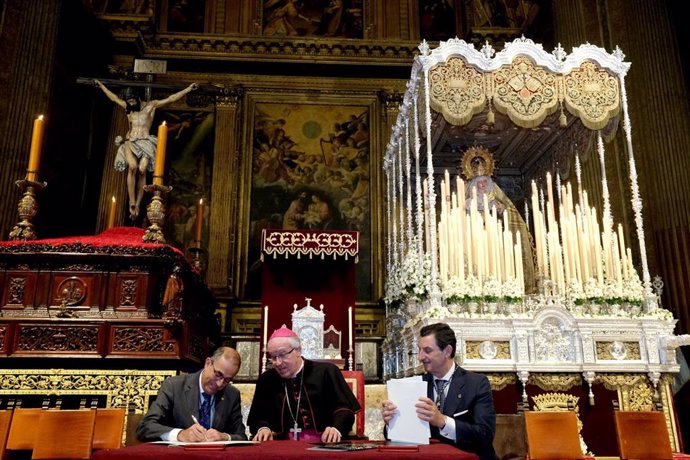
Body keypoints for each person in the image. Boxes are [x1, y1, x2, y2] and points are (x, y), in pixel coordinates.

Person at [382, 323, 498, 460]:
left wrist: (443, 421)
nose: (420, 357)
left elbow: (485, 435)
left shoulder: (476, 384)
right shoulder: (413, 385)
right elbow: (398, 437)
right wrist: (392, 422)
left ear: (447, 351)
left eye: (427, 350)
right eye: (419, 350)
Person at [93, 79, 198, 220]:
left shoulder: (150, 106)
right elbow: (114, 97)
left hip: (146, 142)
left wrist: (188, 88)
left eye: (132, 100)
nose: (130, 103)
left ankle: (138, 203)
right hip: (131, 141)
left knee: (142, 170)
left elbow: (170, 99)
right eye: (128, 101)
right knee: (132, 166)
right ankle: (131, 201)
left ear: (137, 97)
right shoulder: (127, 108)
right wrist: (100, 85)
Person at [247, 326, 361, 442]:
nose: (278, 362)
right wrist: (263, 428)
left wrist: (336, 429)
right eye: (273, 357)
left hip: (324, 445)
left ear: (298, 350)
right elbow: (257, 417)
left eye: (282, 354)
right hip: (281, 446)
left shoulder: (327, 372)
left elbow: (345, 410)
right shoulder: (267, 379)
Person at [136, 346, 247, 442]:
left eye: (227, 380)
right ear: (208, 363)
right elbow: (145, 427)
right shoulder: (174, 386)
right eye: (218, 374)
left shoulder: (232, 394)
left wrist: (225, 437)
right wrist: (180, 435)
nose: (219, 384)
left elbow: (242, 436)